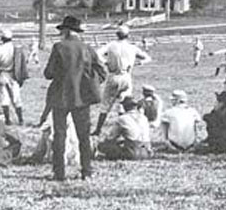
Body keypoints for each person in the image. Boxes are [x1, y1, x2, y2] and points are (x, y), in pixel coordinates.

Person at [44, 15, 106, 181]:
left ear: (66, 30)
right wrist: (88, 83)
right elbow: (102, 72)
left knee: (60, 135)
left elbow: (48, 73)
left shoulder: (58, 47)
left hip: (60, 97)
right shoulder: (87, 48)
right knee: (83, 136)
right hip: (82, 98)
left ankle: (59, 173)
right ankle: (86, 171)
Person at [92, 25, 152, 136]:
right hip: (126, 77)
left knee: (106, 104)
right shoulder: (132, 47)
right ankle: (124, 128)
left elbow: (97, 53)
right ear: (128, 36)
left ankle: (98, 129)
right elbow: (147, 58)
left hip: (113, 76)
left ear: (117, 35)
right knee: (125, 102)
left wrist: (105, 62)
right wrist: (138, 63)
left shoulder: (111, 46)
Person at [0, 29, 22, 125]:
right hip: (13, 74)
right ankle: (20, 119)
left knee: (4, 98)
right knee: (16, 98)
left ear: (2, 39)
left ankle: (7, 120)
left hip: (2, 74)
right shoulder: (15, 49)